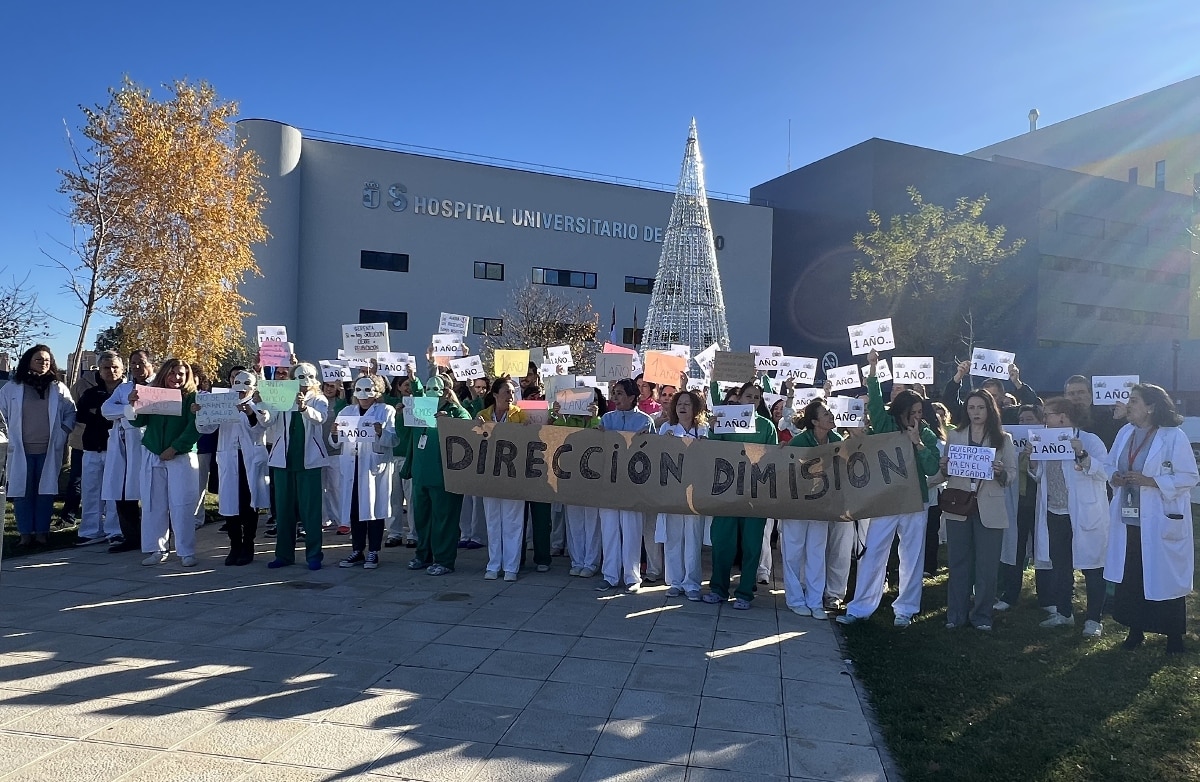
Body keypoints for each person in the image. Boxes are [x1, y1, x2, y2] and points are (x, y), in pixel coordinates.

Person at [837, 350, 940, 627]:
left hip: (915, 502)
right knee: (873, 552)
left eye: (920, 412)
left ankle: (905, 610)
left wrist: (918, 443)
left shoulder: (926, 433)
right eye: (912, 412)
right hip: (886, 500)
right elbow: (873, 398)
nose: (916, 416)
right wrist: (872, 367)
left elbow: (932, 468)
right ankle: (860, 608)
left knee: (912, 556)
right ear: (900, 410)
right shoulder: (884, 424)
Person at [1103, 383, 1198, 654]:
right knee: (1133, 576)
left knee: (1165, 577)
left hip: (1159, 519)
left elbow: (1190, 476)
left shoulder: (1173, 436)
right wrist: (1115, 477)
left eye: (1134, 400)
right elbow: (1110, 464)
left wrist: (1151, 481)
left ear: (1151, 407)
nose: (1128, 405)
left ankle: (1174, 637)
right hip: (1129, 519)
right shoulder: (1125, 433)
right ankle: (1135, 630)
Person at [1028, 397, 1110, 636]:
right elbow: (1040, 475)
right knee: (1060, 567)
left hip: (1085, 514)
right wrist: (1033, 461)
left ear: (1063, 417)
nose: (1044, 419)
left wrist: (1082, 454)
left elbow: (1106, 472)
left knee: (1093, 568)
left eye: (1048, 415)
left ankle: (1093, 620)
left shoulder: (1090, 440)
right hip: (1055, 513)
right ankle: (1064, 613)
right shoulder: (1044, 440)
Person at [940, 389, 1017, 630]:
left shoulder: (1003, 439)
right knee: (958, 563)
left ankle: (982, 616)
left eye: (981, 407)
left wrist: (1001, 473)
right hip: (958, 506)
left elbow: (1012, 474)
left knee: (987, 566)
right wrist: (944, 467)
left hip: (989, 507)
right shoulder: (955, 436)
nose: (976, 412)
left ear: (990, 410)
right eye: (971, 407)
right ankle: (956, 615)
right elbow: (946, 471)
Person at [704, 380, 778, 609]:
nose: (753, 400)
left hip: (754, 494)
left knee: (752, 544)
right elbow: (713, 450)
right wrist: (713, 429)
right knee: (722, 542)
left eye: (757, 397)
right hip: (727, 491)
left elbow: (773, 458)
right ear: (740, 398)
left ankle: (745, 592)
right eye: (749, 396)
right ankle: (718, 589)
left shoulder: (767, 426)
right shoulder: (726, 420)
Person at [127, 359, 201, 567]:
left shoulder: (192, 398)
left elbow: (194, 427)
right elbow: (138, 421)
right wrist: (133, 404)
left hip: (181, 457)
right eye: (172, 373)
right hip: (153, 454)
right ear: (164, 374)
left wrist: (175, 447)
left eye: (181, 374)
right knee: (153, 502)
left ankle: (186, 551)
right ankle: (157, 548)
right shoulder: (153, 393)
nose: (176, 378)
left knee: (181, 504)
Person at [0, 346, 76, 546]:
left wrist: (63, 431)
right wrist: (6, 436)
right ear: (28, 361)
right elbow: (1, 415)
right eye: (39, 360)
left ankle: (42, 533)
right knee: (22, 492)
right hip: (20, 450)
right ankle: (25, 534)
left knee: (45, 492)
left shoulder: (58, 388)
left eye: (47, 360)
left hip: (48, 449)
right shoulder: (12, 388)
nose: (43, 363)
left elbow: (71, 412)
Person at [197, 368, 270, 566]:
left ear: (254, 386)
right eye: (238, 382)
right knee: (230, 503)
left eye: (247, 384)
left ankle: (248, 545)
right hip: (228, 458)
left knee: (249, 503)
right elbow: (207, 428)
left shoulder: (259, 404)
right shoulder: (222, 402)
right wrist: (200, 413)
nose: (242, 388)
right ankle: (235, 545)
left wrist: (250, 412)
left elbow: (261, 427)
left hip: (250, 460)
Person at [260, 362, 329, 570]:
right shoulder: (282, 397)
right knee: (283, 510)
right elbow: (267, 422)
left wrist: (304, 408)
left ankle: (314, 555)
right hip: (283, 461)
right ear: (292, 379)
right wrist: (261, 406)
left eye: (310, 376)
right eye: (300, 377)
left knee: (311, 510)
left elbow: (320, 419)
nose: (306, 381)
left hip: (309, 462)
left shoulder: (319, 399)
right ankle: (284, 554)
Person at [404, 374, 470, 576]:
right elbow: (408, 437)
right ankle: (423, 555)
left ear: (446, 391)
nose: (431, 392)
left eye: (436, 388)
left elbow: (469, 431)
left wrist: (449, 422)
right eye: (428, 388)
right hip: (421, 474)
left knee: (444, 520)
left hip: (444, 476)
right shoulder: (420, 408)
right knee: (422, 518)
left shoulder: (457, 412)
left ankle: (444, 560)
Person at [781, 397, 841, 618]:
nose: (831, 416)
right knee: (793, 552)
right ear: (815, 422)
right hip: (796, 505)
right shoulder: (799, 442)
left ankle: (815, 602)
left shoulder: (837, 440)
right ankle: (795, 599)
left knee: (816, 552)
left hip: (821, 506)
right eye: (826, 414)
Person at [595, 378, 656, 592]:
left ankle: (632, 577)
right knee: (609, 529)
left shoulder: (645, 421)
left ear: (632, 397)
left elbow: (653, 452)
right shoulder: (607, 419)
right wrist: (598, 435)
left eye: (620, 393)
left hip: (633, 485)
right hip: (609, 484)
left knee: (632, 530)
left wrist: (648, 440)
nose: (616, 397)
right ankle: (610, 575)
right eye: (614, 393)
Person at [332, 375, 399, 570]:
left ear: (377, 392)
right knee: (354, 508)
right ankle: (357, 549)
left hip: (373, 468)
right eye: (359, 390)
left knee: (374, 508)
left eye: (368, 390)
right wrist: (334, 433)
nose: (363, 395)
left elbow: (394, 440)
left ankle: (374, 551)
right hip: (352, 466)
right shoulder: (347, 411)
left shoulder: (386, 411)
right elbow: (335, 442)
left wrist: (381, 432)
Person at [996, 405, 1053, 612]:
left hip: (1041, 506)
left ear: (1041, 422)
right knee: (1015, 550)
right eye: (1021, 420)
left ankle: (1047, 597)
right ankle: (1010, 594)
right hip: (1018, 505)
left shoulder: (1049, 442)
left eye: (1030, 419)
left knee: (1043, 551)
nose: (1024, 423)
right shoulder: (1010, 444)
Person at [655, 388, 708, 601]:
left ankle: (692, 583)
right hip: (672, 491)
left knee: (693, 538)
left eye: (687, 404)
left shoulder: (703, 429)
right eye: (679, 404)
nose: (682, 407)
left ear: (695, 408)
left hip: (695, 492)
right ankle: (675, 582)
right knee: (673, 536)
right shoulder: (667, 428)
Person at [477, 376, 529, 581]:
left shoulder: (520, 415)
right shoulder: (482, 415)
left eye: (513, 392)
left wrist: (526, 430)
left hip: (513, 475)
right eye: (507, 391)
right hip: (489, 475)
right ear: (495, 394)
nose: (510, 396)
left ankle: (511, 567)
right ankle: (493, 564)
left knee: (513, 522)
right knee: (493, 521)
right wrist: (477, 427)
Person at [101, 350, 154, 552]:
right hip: (122, 445)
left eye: (141, 362)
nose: (137, 367)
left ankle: (153, 535)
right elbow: (106, 410)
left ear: (151, 364)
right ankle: (131, 537)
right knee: (122, 491)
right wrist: (127, 408)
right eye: (133, 364)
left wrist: (130, 409)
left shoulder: (159, 386)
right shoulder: (123, 388)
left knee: (149, 491)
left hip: (146, 444)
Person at [551, 386, 604, 578]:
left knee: (592, 523)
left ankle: (591, 563)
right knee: (574, 522)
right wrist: (559, 416)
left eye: (594, 400)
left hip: (593, 479)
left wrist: (594, 418)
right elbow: (556, 438)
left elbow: (600, 439)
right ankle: (577, 561)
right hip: (570, 477)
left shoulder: (601, 420)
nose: (590, 403)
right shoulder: (568, 420)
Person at [73, 351, 125, 546]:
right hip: (92, 448)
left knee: (114, 492)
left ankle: (115, 531)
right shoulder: (91, 393)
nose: (111, 371)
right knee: (90, 491)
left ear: (122, 369)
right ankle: (91, 530)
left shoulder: (128, 392)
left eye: (115, 367)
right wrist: (106, 414)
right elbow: (82, 415)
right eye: (106, 368)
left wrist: (102, 413)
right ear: (100, 371)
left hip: (117, 450)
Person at [942, 359, 1039, 425]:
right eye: (985, 395)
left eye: (993, 396)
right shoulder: (970, 414)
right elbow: (949, 401)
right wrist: (958, 376)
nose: (989, 399)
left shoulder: (1009, 414)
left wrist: (1017, 382)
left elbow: (1032, 404)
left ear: (1002, 396)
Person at [385, 368, 420, 547]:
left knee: (412, 499)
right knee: (393, 498)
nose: (408, 388)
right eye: (405, 385)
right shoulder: (391, 405)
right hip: (392, 458)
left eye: (410, 385)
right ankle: (394, 533)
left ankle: (414, 534)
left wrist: (414, 379)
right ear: (398, 387)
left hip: (410, 458)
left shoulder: (419, 405)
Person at [1063, 374, 1125, 448]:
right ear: (1065, 397)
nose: (1076, 397)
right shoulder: (1057, 419)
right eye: (1071, 394)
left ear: (1091, 395)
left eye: (1081, 392)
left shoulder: (1108, 419)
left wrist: (1120, 420)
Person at [191, 364, 217, 529]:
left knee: (198, 484)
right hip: (182, 447)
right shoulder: (178, 396)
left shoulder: (207, 397)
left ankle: (196, 518)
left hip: (203, 446)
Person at [319, 379, 346, 532]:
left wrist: (342, 396)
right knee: (320, 489)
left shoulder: (341, 404)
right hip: (318, 451)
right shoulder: (316, 401)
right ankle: (324, 519)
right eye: (327, 385)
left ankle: (341, 520)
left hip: (335, 452)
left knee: (336, 488)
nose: (329, 389)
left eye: (332, 386)